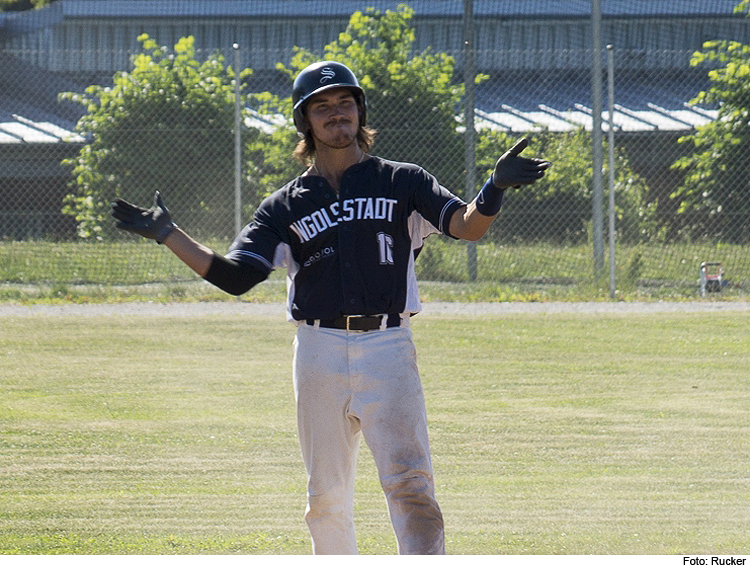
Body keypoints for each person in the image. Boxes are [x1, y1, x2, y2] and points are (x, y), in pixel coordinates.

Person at [111, 60, 550, 555]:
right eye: (322, 107)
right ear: (305, 122)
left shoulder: (402, 181)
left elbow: (467, 227)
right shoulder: (284, 206)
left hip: (388, 344)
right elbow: (236, 278)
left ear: (360, 111)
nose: (336, 114)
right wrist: (169, 234)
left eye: (346, 103)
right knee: (326, 496)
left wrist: (493, 190)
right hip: (318, 349)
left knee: (411, 487)